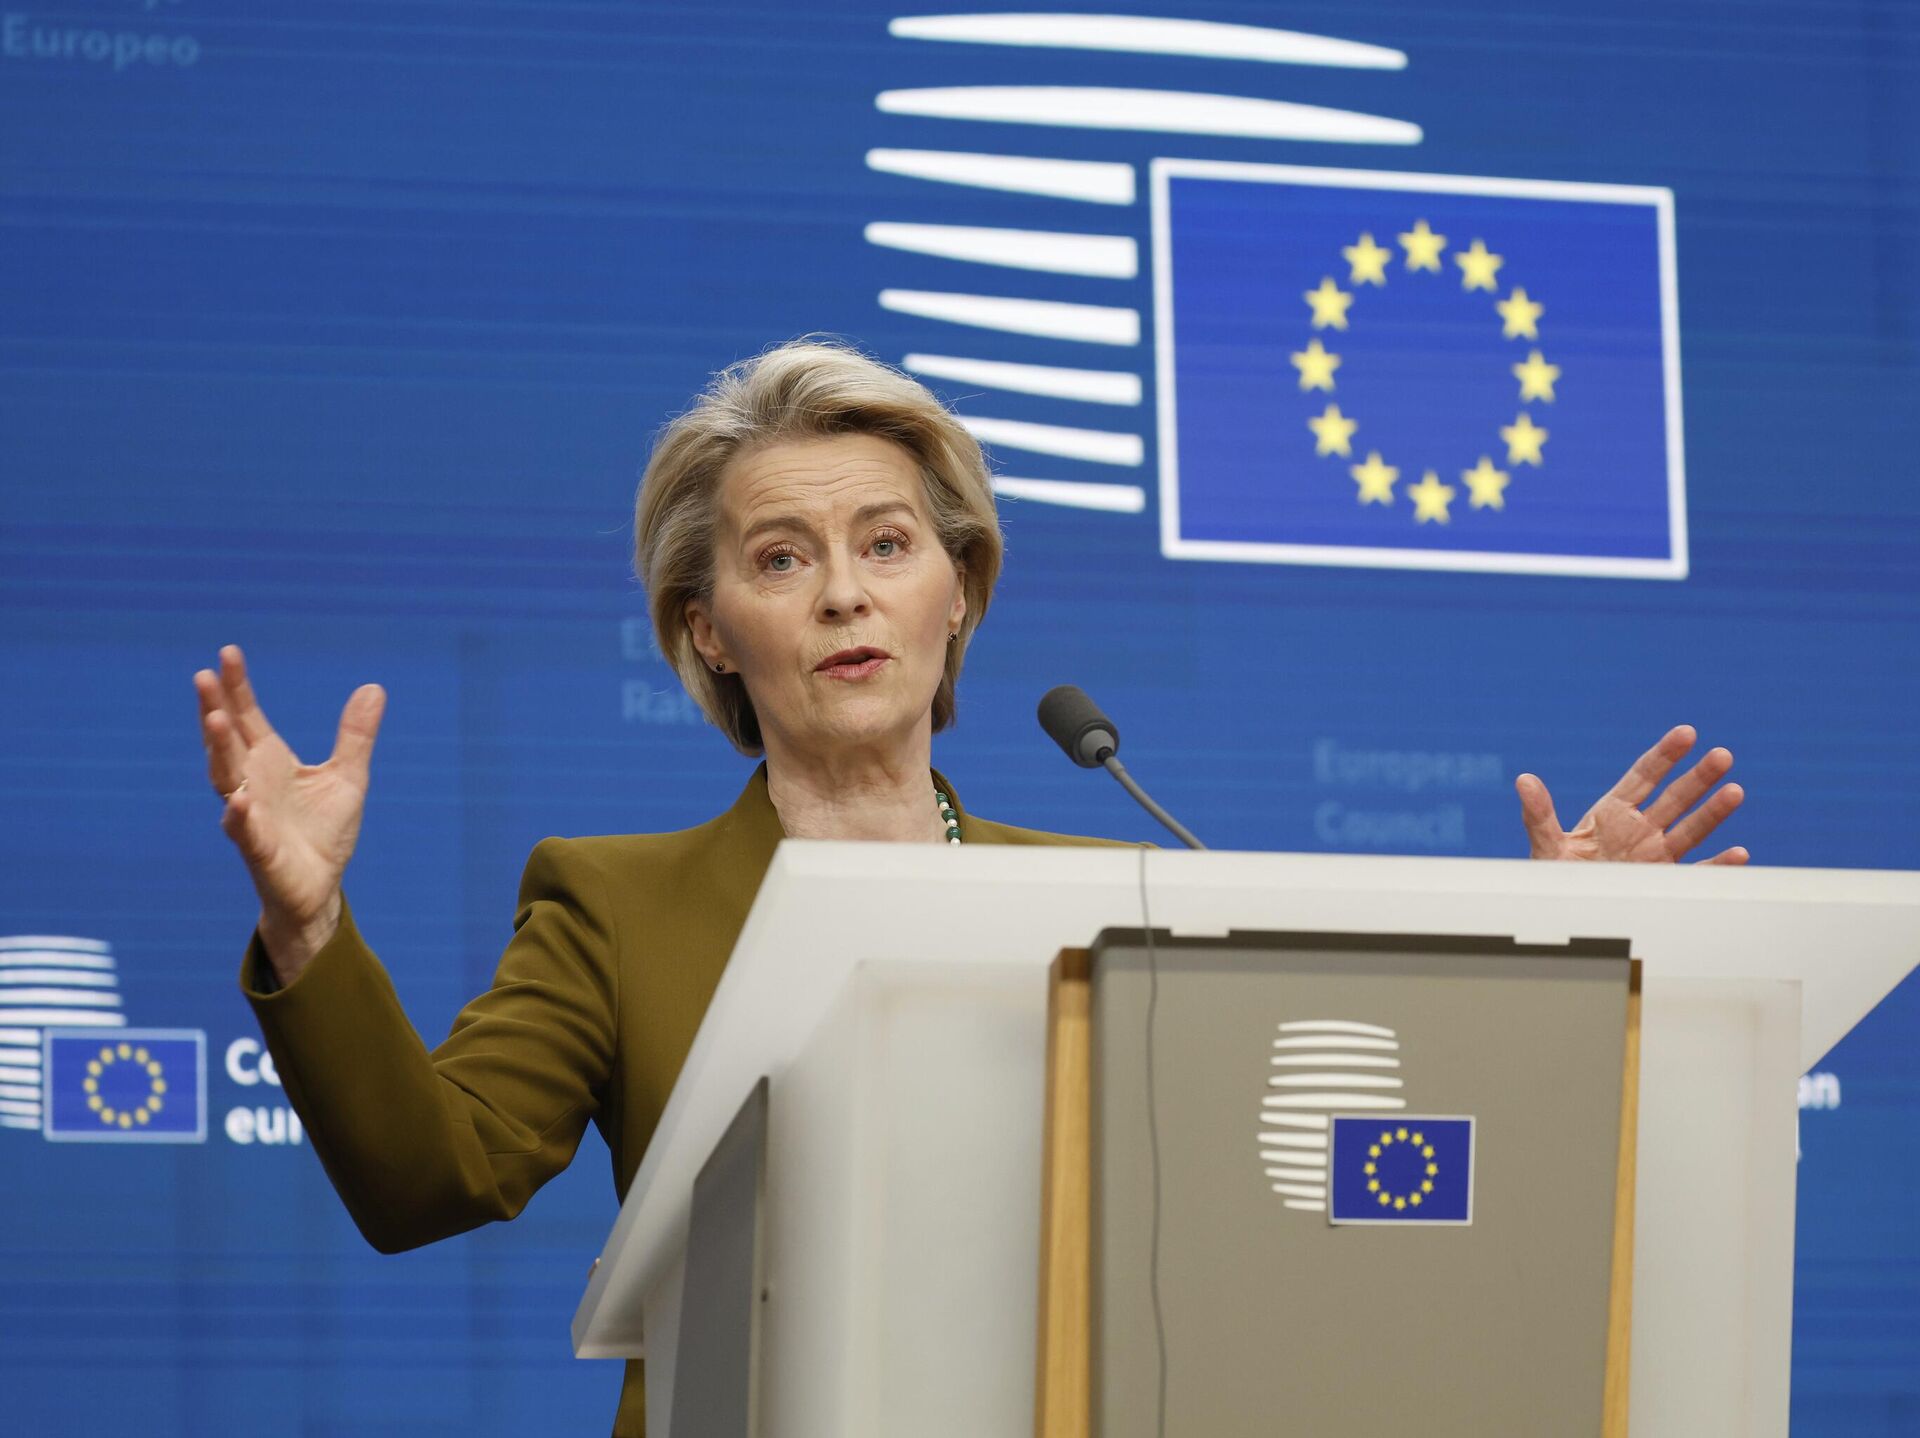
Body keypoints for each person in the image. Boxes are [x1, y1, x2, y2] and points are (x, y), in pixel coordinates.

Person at [194, 338, 1748, 1436]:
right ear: (710, 628)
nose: (844, 592)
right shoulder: (617, 905)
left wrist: (1557, 959)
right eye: (781, 558)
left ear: (959, 593)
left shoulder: (1125, 898)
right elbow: (428, 1175)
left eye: (887, 544)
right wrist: (308, 925)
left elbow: (1316, 1189)